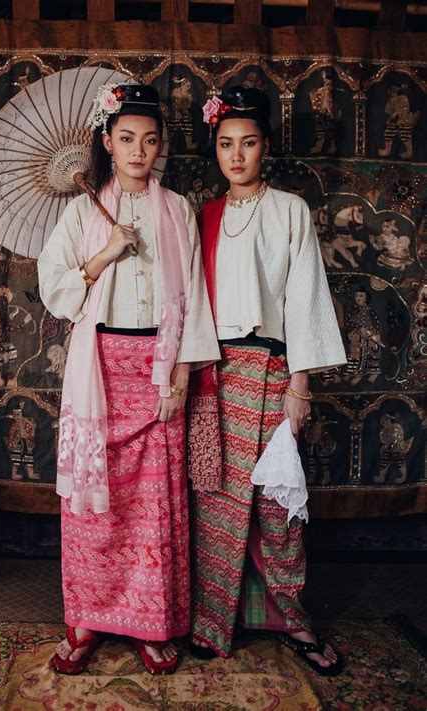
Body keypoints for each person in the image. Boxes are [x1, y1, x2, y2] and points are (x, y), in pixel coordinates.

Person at [38, 83, 219, 675]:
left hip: (158, 368)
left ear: (160, 145)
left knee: (153, 504)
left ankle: (152, 623)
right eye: (126, 139)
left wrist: (181, 379)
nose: (138, 150)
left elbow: (193, 297)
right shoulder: (82, 211)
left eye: (149, 139)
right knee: (98, 504)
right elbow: (56, 289)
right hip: (99, 372)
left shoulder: (178, 210)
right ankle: (88, 619)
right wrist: (107, 251)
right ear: (106, 143)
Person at [188, 86, 347, 676]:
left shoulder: (289, 210)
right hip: (214, 371)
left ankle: (295, 621)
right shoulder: (202, 215)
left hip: (274, 368)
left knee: (278, 508)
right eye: (226, 144)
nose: (237, 155)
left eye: (248, 143)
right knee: (218, 502)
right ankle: (212, 622)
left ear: (266, 148)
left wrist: (299, 386)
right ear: (216, 150)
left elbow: (304, 298)